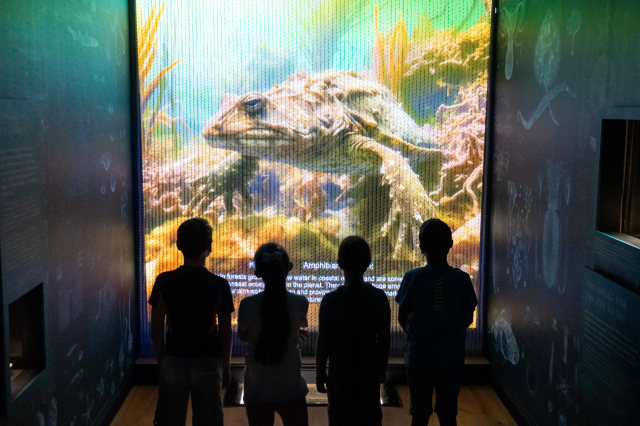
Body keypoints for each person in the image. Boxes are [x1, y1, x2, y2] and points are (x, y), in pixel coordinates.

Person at [149, 218, 234, 426]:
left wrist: (162, 360)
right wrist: (226, 366)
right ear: (209, 247)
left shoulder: (163, 281)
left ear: (178, 245)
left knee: (169, 419)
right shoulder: (219, 285)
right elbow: (225, 332)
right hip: (208, 360)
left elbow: (156, 328)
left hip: (174, 359)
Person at [395, 218, 478, 426]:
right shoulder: (461, 279)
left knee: (420, 413)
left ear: (421, 247)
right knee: (448, 413)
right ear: (451, 244)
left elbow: (402, 316)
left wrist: (418, 337)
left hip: (418, 357)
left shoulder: (412, 277)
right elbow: (468, 316)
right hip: (451, 358)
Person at [316, 236, 391, 426]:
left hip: (340, 370)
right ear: (368, 263)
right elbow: (384, 340)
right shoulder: (379, 298)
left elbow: (323, 341)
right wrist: (382, 369)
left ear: (340, 263)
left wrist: (320, 374)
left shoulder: (330, 300)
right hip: (368, 368)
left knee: (339, 416)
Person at [237, 243, 310, 426]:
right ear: (289, 268)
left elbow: (243, 335)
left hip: (256, 388)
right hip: (291, 387)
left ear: (257, 273)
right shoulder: (301, 302)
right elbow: (284, 318)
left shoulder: (247, 304)